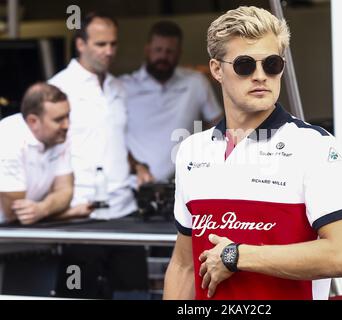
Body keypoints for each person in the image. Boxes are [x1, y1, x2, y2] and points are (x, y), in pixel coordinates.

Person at [163, 6, 342, 300]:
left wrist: (237, 256)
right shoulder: (192, 150)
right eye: (245, 65)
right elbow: (184, 266)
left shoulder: (315, 146)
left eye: (272, 64)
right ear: (217, 69)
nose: (260, 76)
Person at [48, 12, 151, 299]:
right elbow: (46, 149)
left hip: (125, 211)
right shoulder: (59, 88)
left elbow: (114, 140)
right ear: (80, 44)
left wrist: (138, 166)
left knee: (135, 295)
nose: (109, 51)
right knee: (80, 294)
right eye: (101, 44)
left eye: (113, 44)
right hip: (82, 215)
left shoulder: (118, 87)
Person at [121, 21, 222, 182]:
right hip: (134, 187)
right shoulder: (124, 86)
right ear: (147, 50)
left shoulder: (195, 82)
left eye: (169, 51)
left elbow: (219, 126)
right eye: (158, 50)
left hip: (184, 184)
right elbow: (111, 135)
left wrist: (204, 161)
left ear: (179, 53)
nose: (163, 56)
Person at [0, 83, 73, 225]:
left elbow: (66, 191)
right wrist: (59, 208)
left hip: (32, 226)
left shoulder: (59, 135)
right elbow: (15, 212)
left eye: (67, 116)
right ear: (33, 121)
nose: (67, 125)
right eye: (58, 120)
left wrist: (43, 208)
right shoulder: (8, 139)